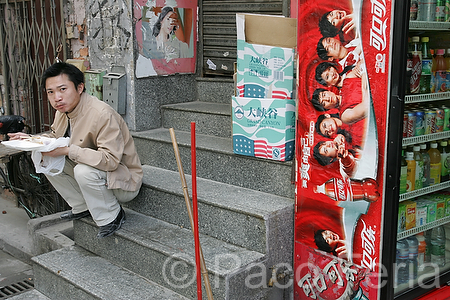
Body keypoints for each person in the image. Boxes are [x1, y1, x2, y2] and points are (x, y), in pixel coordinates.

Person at [8, 62, 143, 239]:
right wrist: (32, 140)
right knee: (43, 157)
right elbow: (56, 138)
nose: (57, 97)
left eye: (62, 89)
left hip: (123, 181)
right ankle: (82, 205)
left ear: (80, 87)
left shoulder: (101, 114)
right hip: (98, 176)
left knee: (83, 170)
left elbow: (110, 160)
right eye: (51, 92)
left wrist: (68, 151)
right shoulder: (63, 111)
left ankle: (112, 216)